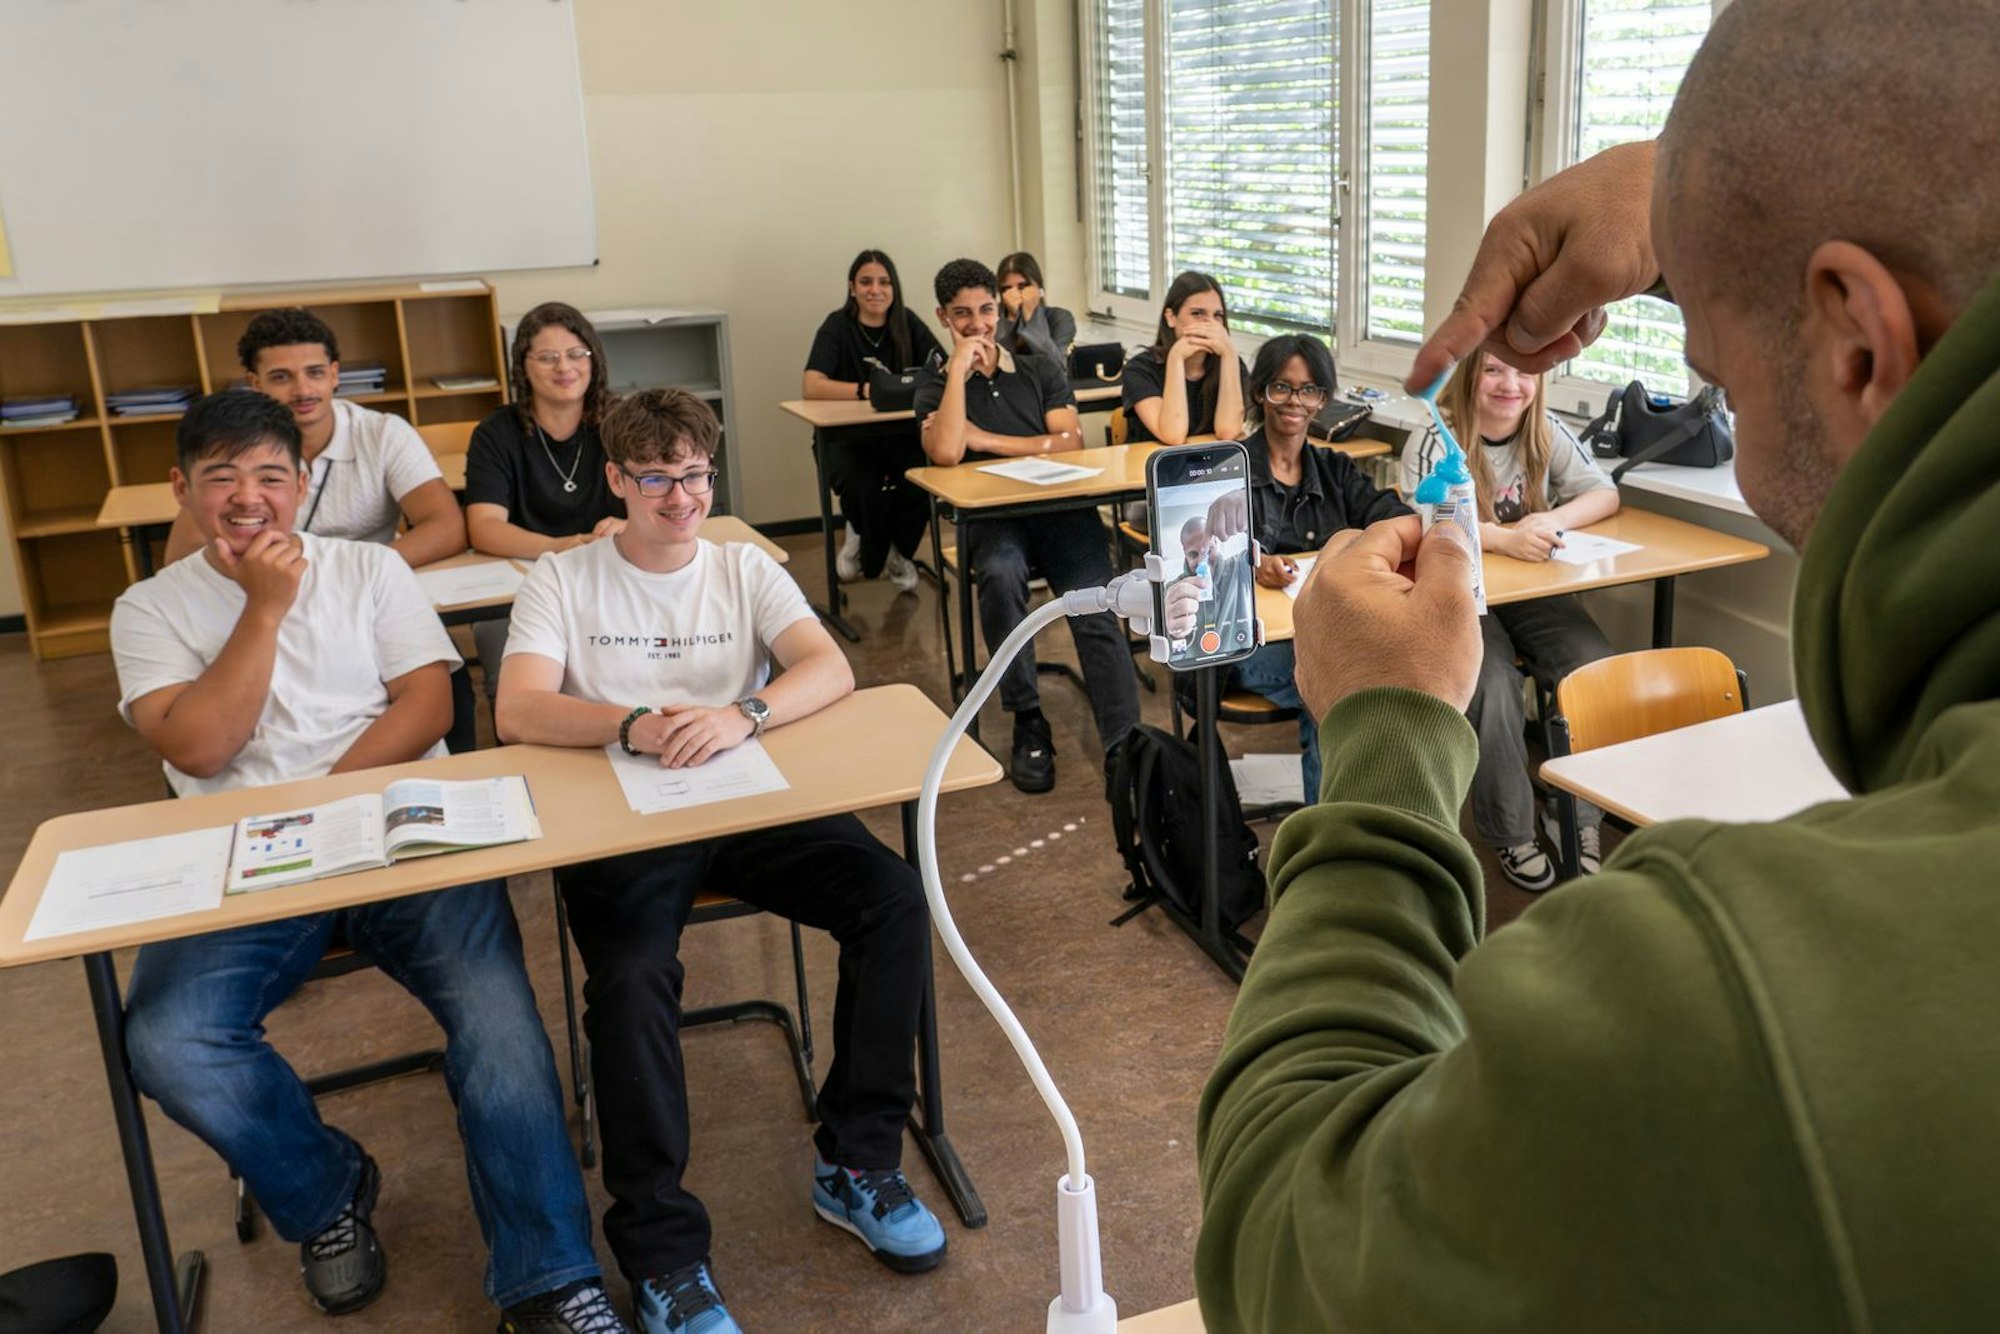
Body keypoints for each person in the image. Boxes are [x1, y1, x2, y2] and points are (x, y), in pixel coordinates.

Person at [1197, 1, 2000, 1328]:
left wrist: (1389, 732)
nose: (1738, 446)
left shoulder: (1733, 1005)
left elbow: (1294, 1241)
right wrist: (1709, 193)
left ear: (1857, 343)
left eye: (1726, 381)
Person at [108, 392, 622, 1332]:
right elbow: (202, 749)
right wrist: (264, 610)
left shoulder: (370, 572)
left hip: (400, 832)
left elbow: (427, 705)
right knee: (169, 1040)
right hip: (246, 866)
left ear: (304, 483)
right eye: (220, 477)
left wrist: (330, 810)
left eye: (270, 474)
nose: (249, 496)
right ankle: (328, 1193)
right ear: (182, 489)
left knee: (501, 1026)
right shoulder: (148, 608)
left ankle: (550, 1280)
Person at [494, 389, 947, 1334]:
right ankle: (663, 1255)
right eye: (656, 479)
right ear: (616, 480)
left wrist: (745, 714)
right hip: (628, 817)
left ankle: (856, 1160)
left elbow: (829, 667)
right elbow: (521, 710)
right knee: (629, 978)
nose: (681, 498)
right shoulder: (564, 580)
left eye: (696, 475)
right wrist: (634, 723)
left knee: (893, 899)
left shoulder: (742, 567)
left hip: (744, 797)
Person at [914, 257, 1141, 794]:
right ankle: (1027, 718)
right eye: (963, 314)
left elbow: (1070, 443)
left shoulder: (1039, 366)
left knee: (1096, 601)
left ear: (1000, 308)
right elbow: (945, 451)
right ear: (943, 317)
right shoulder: (933, 381)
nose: (978, 324)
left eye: (987, 309)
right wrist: (956, 379)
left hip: (1061, 512)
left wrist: (986, 440)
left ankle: (1124, 744)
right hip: (993, 521)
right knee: (1000, 576)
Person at [1399, 352, 1621, 889]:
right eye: (1496, 370)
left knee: (1592, 666)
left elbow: (1605, 492)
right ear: (1472, 377)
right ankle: (1511, 830)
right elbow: (1419, 520)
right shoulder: (1434, 435)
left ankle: (1575, 815)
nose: (1511, 385)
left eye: (1524, 373)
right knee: (1493, 682)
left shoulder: (1545, 430)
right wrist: (1504, 537)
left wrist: (1550, 519)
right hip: (1458, 588)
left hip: (1528, 590)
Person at [1237, 334, 1409, 802]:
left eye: (1309, 390)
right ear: (1259, 393)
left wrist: (1360, 549)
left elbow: (1391, 517)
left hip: (1328, 630)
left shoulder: (1336, 470)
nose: (1295, 402)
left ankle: (1357, 824)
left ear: (1323, 401)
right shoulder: (1229, 471)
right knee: (1337, 693)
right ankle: (1332, 839)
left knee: (1366, 682)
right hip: (1257, 641)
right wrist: (1252, 563)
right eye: (1282, 388)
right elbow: (1197, 554)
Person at [163, 308, 465, 567]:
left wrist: (358, 573)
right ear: (255, 383)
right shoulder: (234, 444)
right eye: (281, 377)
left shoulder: (383, 432)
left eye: (315, 373)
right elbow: (182, 557)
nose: (303, 391)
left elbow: (447, 527)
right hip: (267, 588)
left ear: (334, 375)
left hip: (365, 584)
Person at [464, 302, 624, 702]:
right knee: (515, 687)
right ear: (523, 367)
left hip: (612, 570)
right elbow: (484, 527)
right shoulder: (496, 433)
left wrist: (630, 527)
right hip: (523, 580)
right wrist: (558, 547)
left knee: (617, 673)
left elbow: (662, 501)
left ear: (594, 360)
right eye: (548, 358)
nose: (564, 368)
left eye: (576, 355)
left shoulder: (623, 423)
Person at [802, 249, 945, 592]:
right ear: (852, 287)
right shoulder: (837, 326)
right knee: (863, 486)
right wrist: (865, 390)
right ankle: (870, 545)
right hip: (846, 439)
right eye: (866, 282)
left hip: (901, 435)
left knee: (926, 478)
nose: (875, 290)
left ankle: (898, 552)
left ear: (894, 288)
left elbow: (943, 366)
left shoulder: (907, 322)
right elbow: (811, 385)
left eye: (884, 282)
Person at [1120, 271, 1250, 445]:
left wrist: (1229, 355)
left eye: (1217, 316)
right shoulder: (1139, 369)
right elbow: (1173, 436)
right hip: (1154, 466)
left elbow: (1228, 432)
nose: (1209, 324)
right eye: (1197, 313)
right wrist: (1175, 359)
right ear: (1171, 317)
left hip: (1210, 466)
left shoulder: (1231, 365)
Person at [995, 251, 1077, 368]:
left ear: (1039, 287)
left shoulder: (1060, 318)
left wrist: (1030, 317)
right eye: (1007, 289)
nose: (1015, 294)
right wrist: (1012, 318)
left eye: (1022, 287)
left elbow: (1055, 366)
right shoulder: (991, 317)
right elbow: (995, 364)